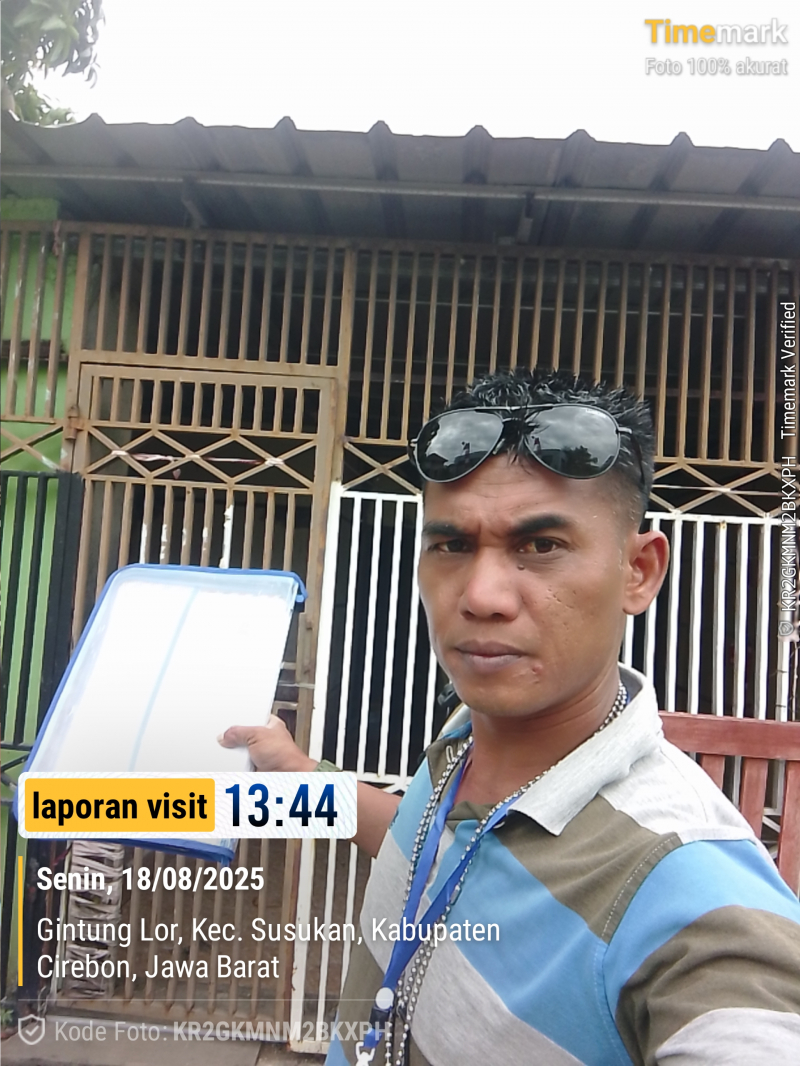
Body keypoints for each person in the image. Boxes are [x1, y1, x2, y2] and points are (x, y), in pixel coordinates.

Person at [221, 370, 800, 1066]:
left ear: (638, 571)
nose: (482, 596)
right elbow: (429, 842)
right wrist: (300, 774)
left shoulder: (689, 888)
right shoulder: (466, 738)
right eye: (452, 545)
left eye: (540, 546)